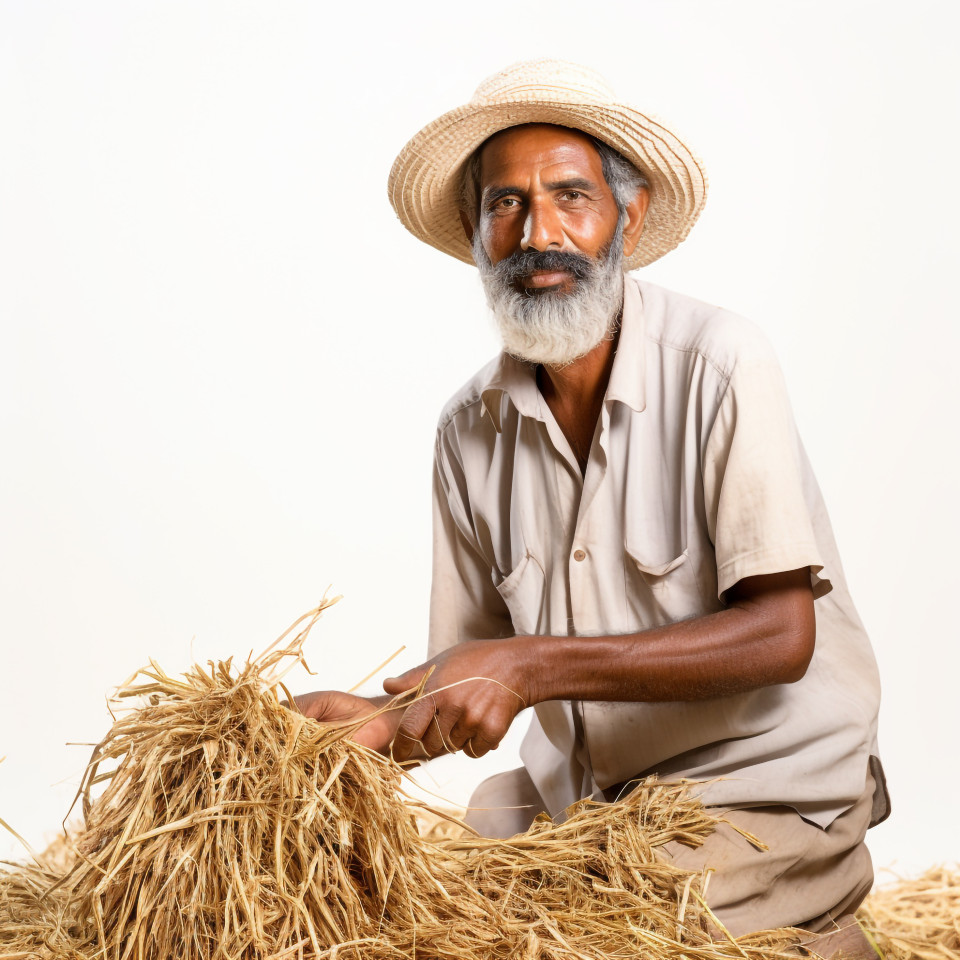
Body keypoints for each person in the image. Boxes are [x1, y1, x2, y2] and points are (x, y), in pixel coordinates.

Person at [296, 59, 888, 950]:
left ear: (629, 218)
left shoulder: (723, 364)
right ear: (476, 236)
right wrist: (376, 729)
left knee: (585, 939)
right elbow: (479, 678)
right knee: (432, 922)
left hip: (766, 793)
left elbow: (781, 634)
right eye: (505, 204)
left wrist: (534, 664)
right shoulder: (467, 432)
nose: (539, 234)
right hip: (592, 811)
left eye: (571, 196)